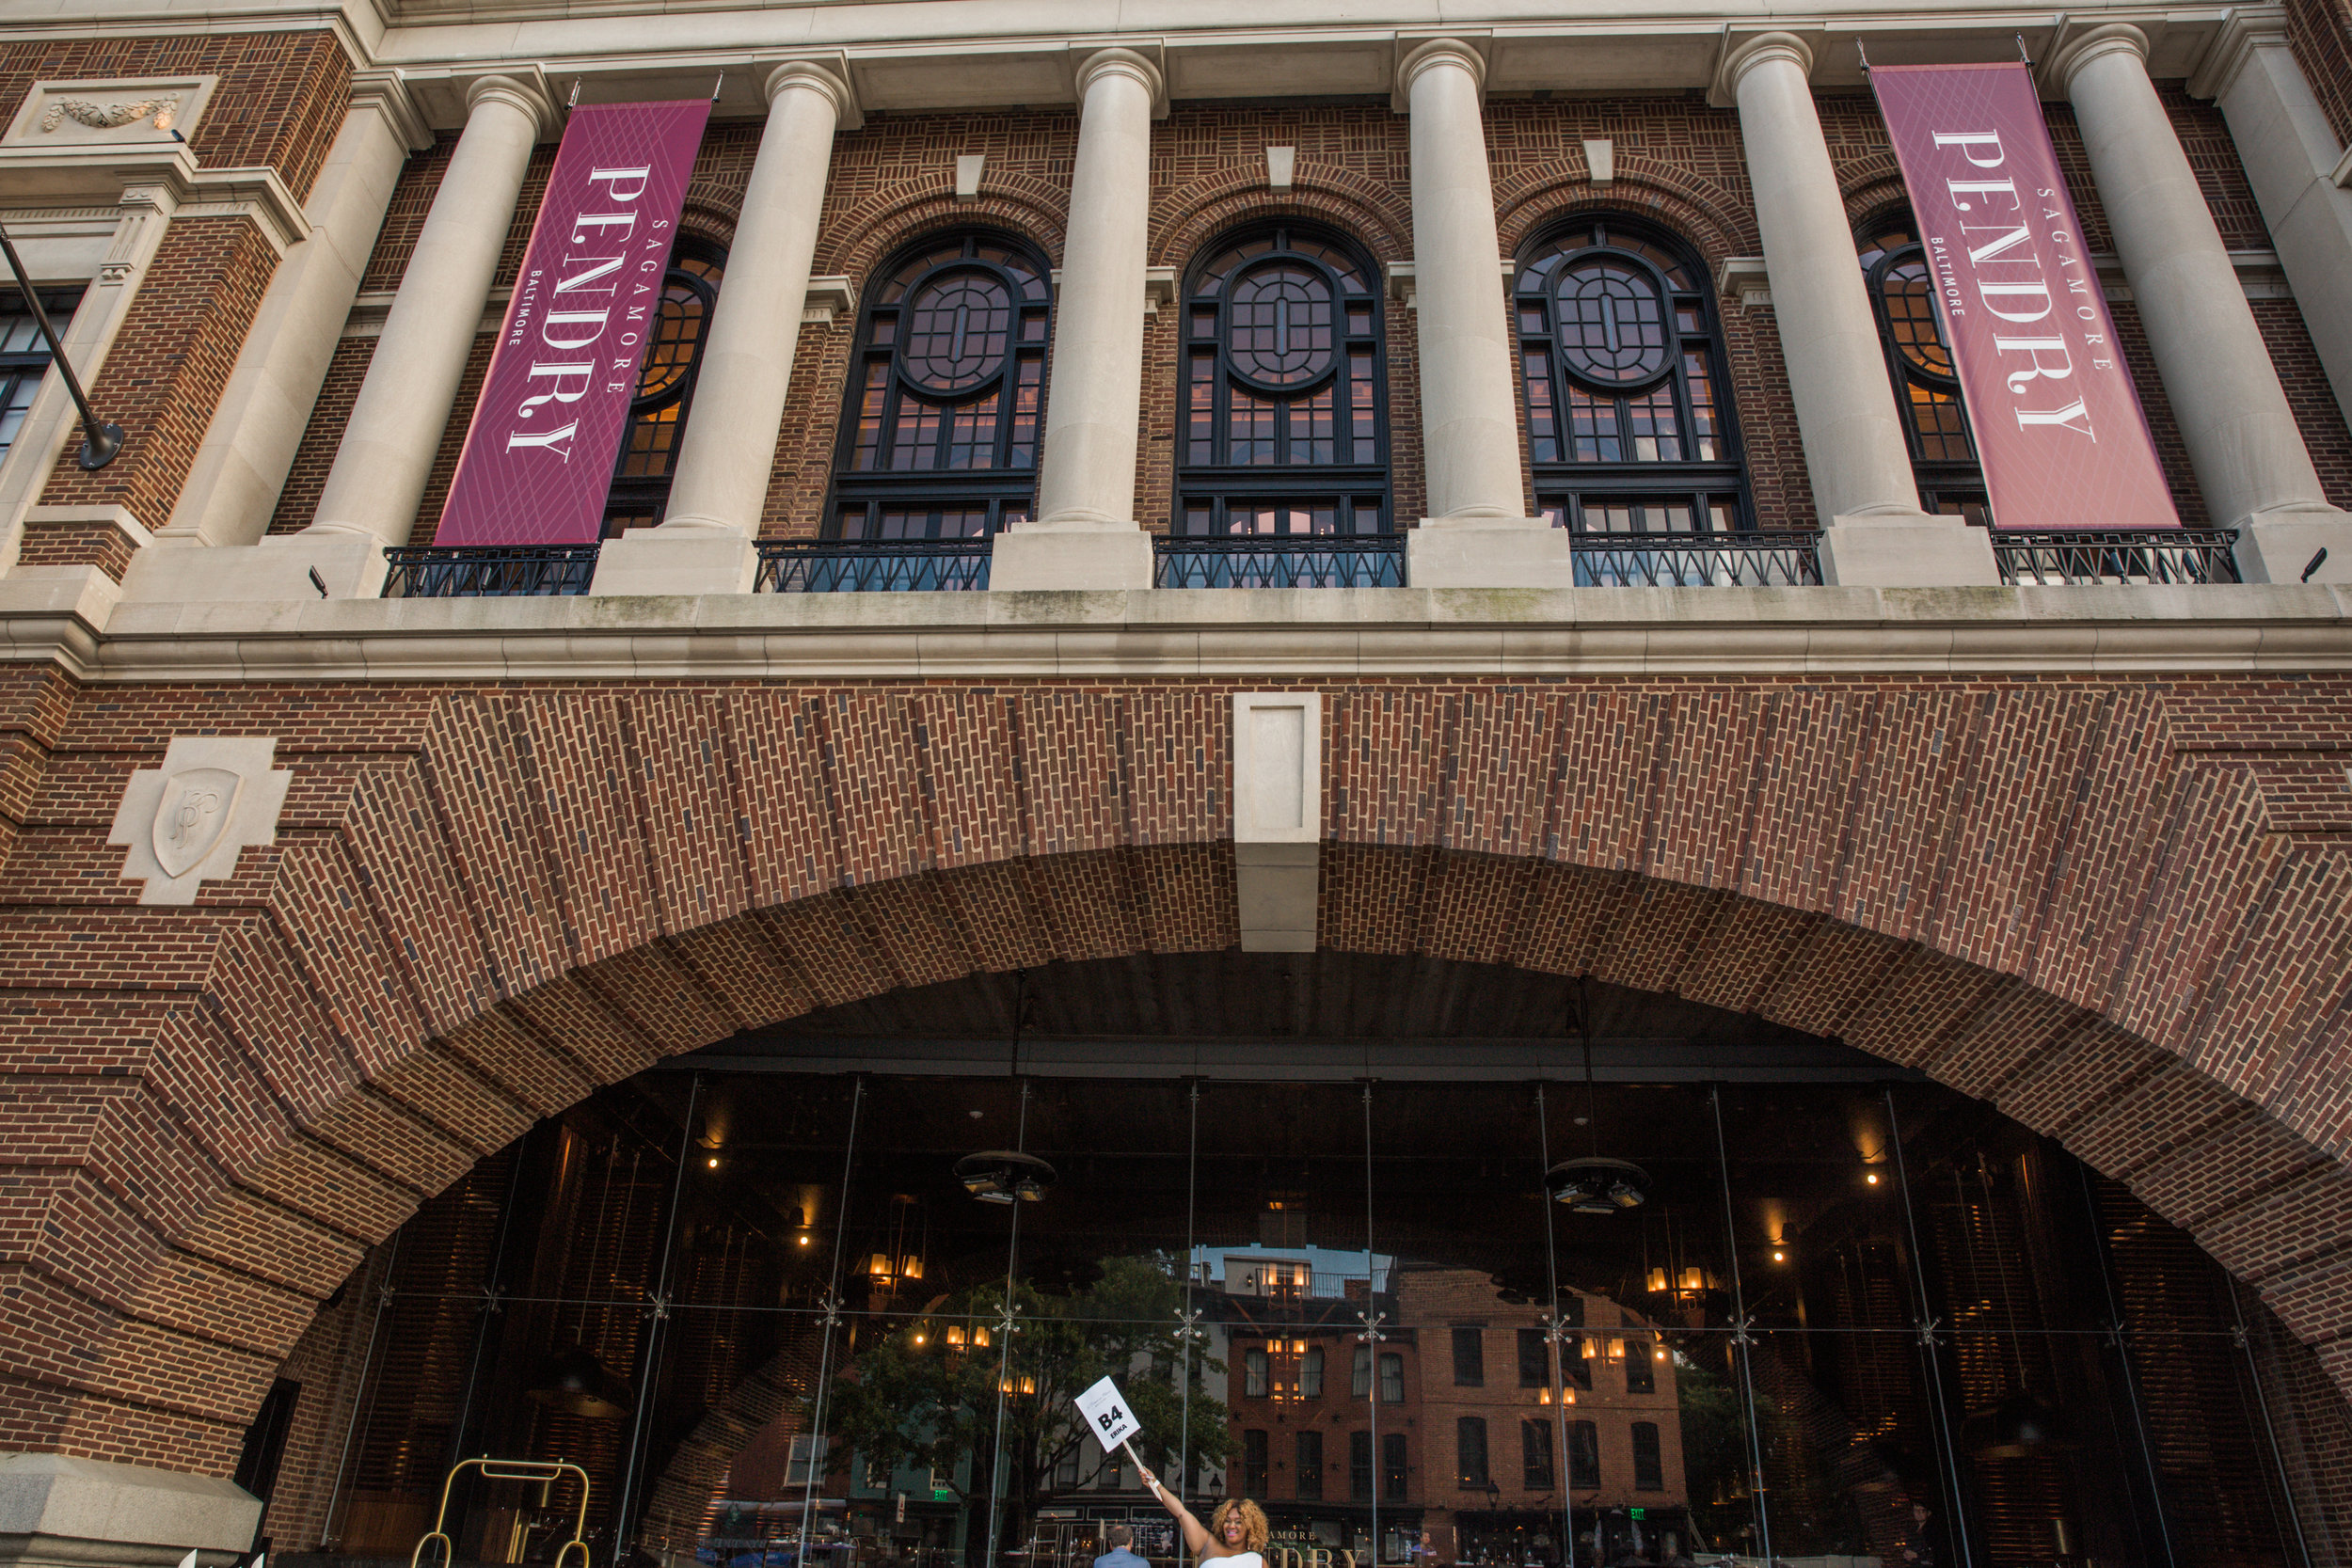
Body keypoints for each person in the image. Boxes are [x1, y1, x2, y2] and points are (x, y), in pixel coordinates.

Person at [1134, 1462, 1268, 1568]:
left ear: (1250, 1527)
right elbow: (1181, 1513)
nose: (1231, 1526)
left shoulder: (1258, 1563)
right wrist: (1156, 1485)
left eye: (1238, 1521)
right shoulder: (1208, 1544)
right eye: (1227, 1521)